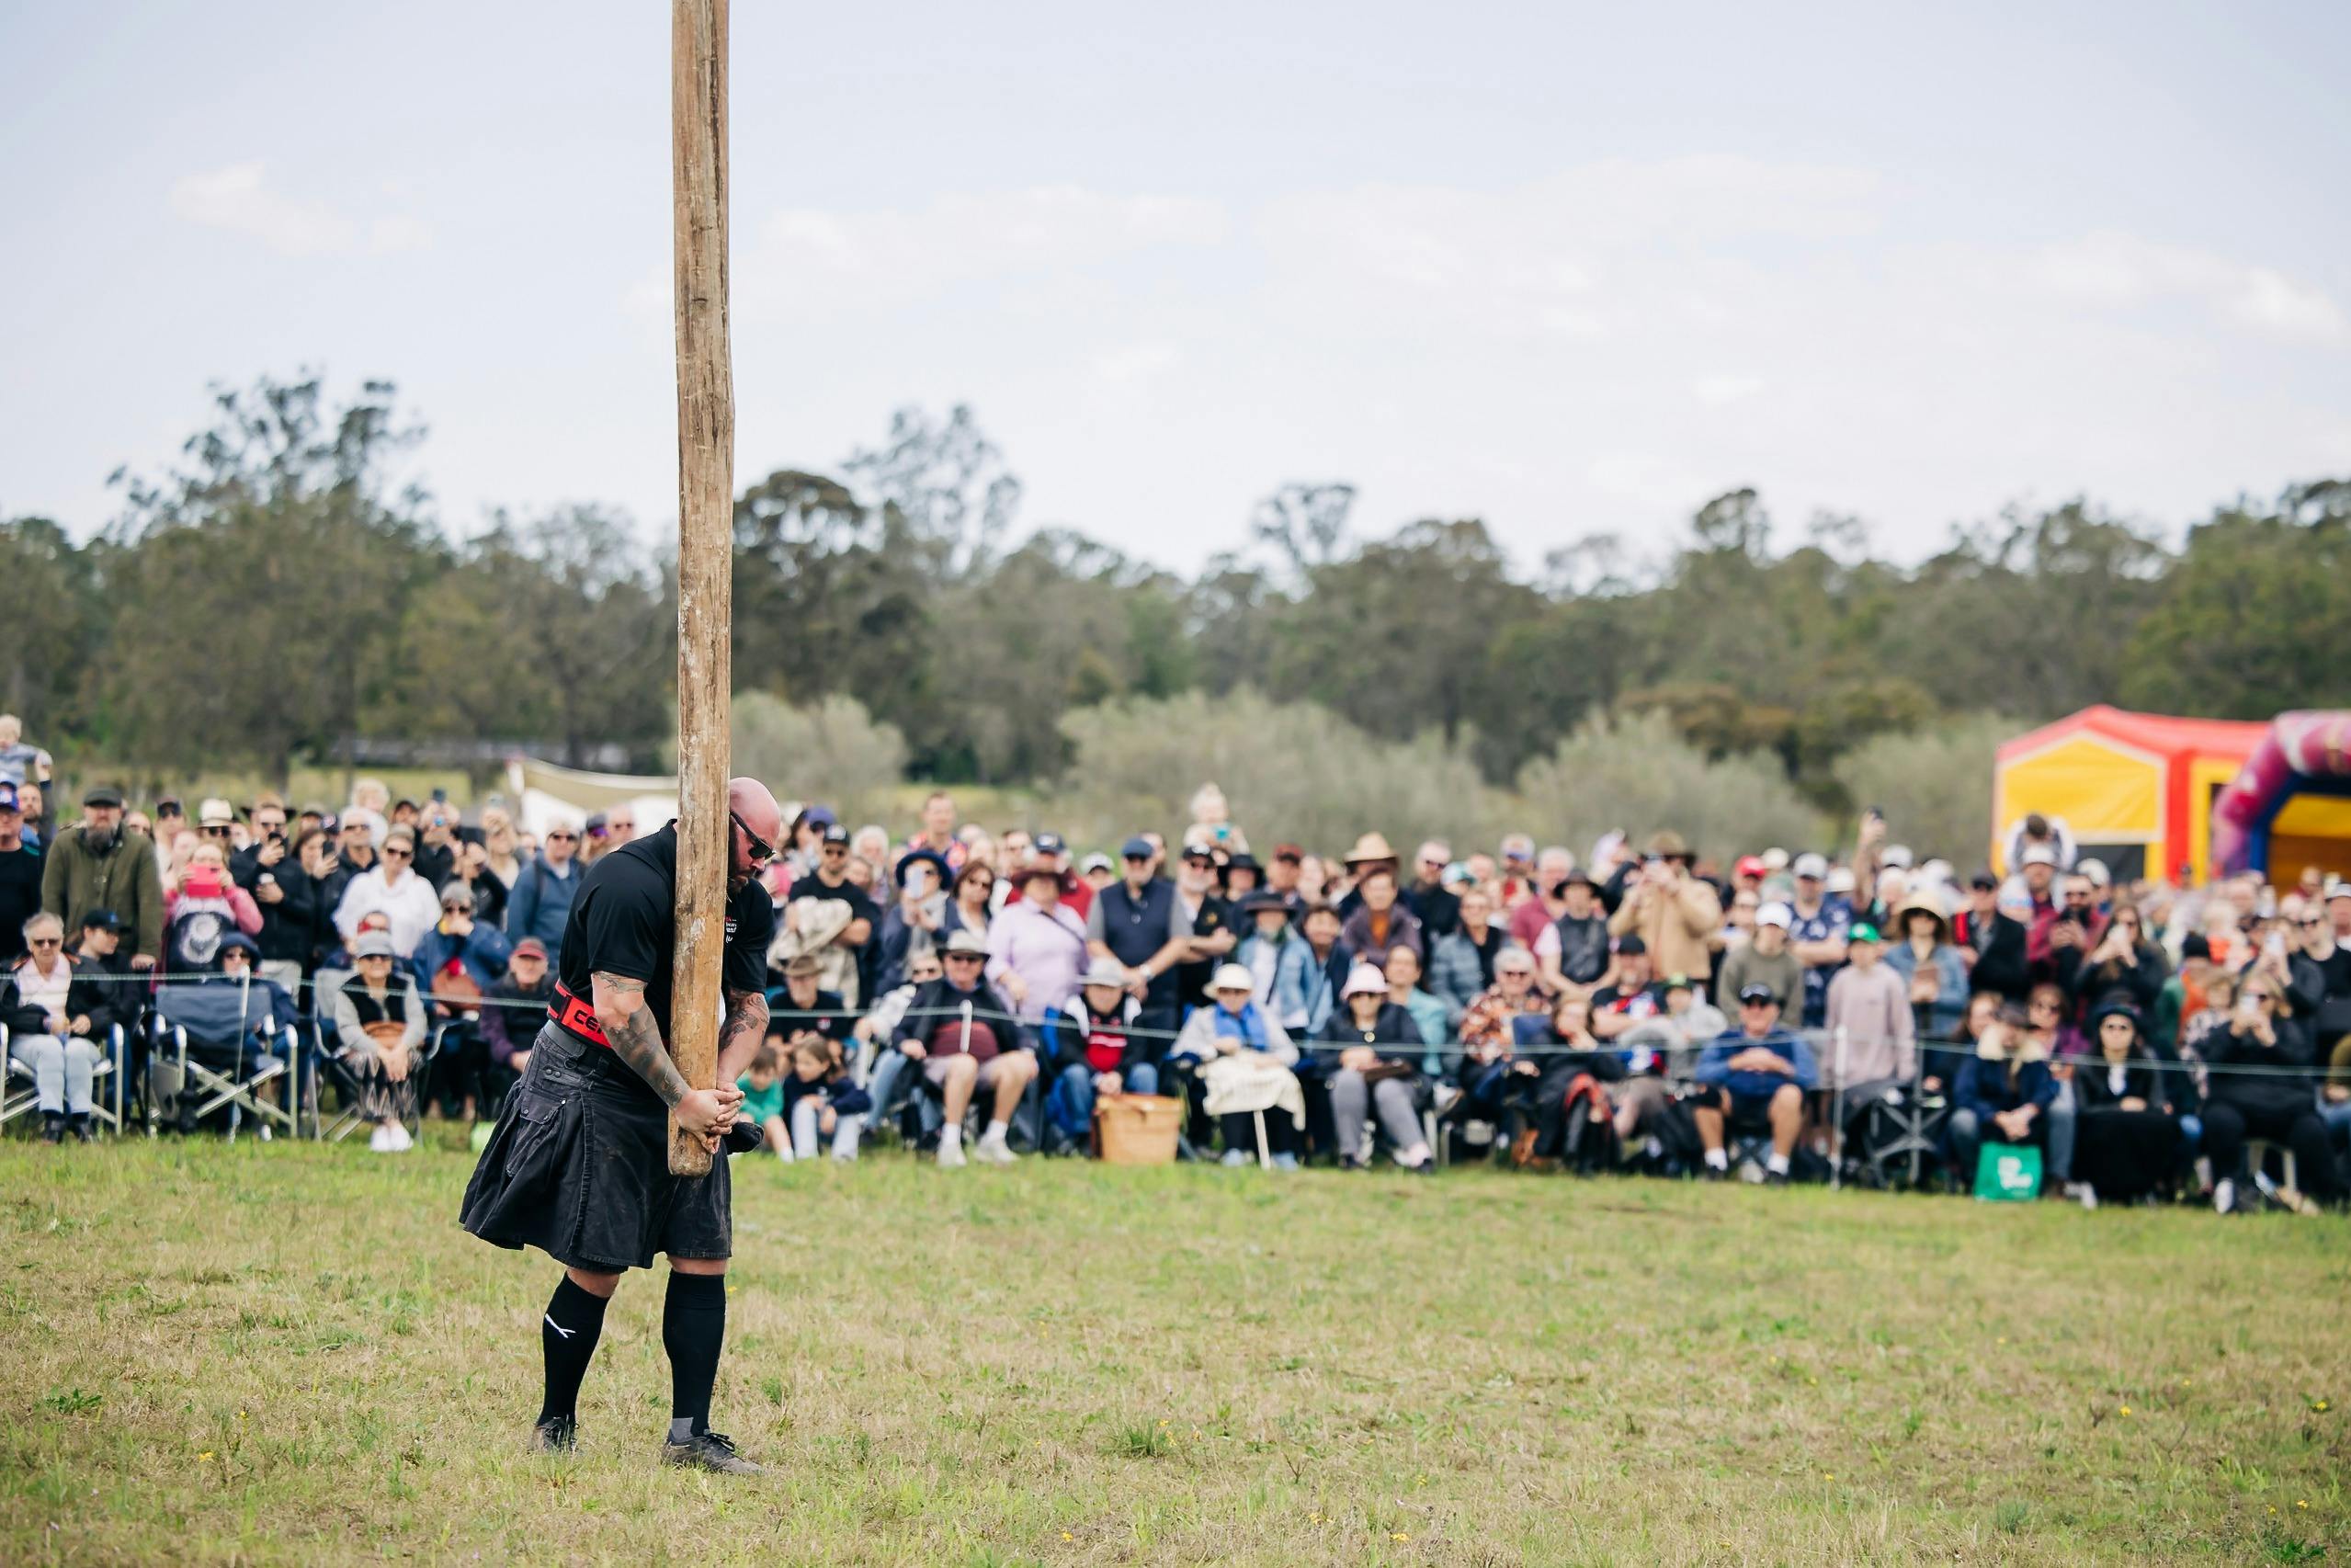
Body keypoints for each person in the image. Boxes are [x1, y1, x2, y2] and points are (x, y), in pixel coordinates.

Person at [460, 778, 783, 1473]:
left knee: (704, 1251)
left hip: (688, 1082)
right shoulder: (627, 881)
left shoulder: (747, 901)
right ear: (713, 824)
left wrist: (719, 1087)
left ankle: (689, 1435)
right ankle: (555, 1422)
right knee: (598, 1260)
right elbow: (618, 1010)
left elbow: (751, 1005)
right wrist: (682, 1099)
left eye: (770, 853)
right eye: (757, 847)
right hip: (597, 1073)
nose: (763, 864)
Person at [888, 929, 1037, 1167]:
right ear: (945, 961)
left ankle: (994, 1139)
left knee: (1019, 1063)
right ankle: (950, 1143)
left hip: (984, 1070)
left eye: (971, 959)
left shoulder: (990, 997)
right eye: (957, 958)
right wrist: (907, 1043)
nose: (964, 965)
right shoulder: (930, 991)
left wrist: (1027, 1052)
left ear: (981, 965)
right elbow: (900, 1030)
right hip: (937, 1066)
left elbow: (1016, 1034)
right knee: (964, 1063)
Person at [2200, 970, 2337, 1214]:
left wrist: (2271, 1042)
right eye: (2248, 997)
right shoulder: (2225, 1030)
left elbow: (2301, 1066)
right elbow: (2213, 1063)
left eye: (2262, 997)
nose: (2255, 1004)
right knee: (2220, 1120)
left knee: (2312, 1129)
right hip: (2235, 1104)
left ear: (2276, 1001)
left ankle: (2329, 1197)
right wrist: (2235, 1034)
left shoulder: (2289, 1030)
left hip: (2285, 1108)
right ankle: (2228, 1190)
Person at [1166, 963, 1305, 1167]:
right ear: (1217, 993)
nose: (1232, 996)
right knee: (1233, 1082)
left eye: (1238, 992)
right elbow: (1180, 1052)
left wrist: (1271, 1059)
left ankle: (1283, 1151)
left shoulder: (1263, 1016)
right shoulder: (1203, 1017)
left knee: (1285, 1081)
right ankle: (1235, 1149)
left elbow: (1290, 1052)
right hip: (1222, 1067)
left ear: (1248, 993)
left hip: (1261, 1066)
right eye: (1225, 991)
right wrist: (1214, 1047)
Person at [2, 913, 114, 1142]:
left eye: (52, 941)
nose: (46, 947)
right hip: (29, 1040)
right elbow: (5, 1011)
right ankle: (54, 1120)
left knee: (76, 1051)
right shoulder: (13, 971)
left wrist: (90, 1020)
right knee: (50, 1047)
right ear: (29, 944)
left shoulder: (84, 968)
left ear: (62, 942)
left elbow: (113, 1006)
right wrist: (43, 1023)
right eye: (39, 942)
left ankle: (82, 1121)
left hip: (77, 1038)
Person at [1311, 963, 1433, 1172]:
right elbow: (1317, 1060)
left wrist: (1374, 1053)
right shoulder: (1336, 1021)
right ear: (1349, 998)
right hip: (1351, 1090)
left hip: (1397, 1084)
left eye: (1371, 994)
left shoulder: (1398, 1015)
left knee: (1388, 1089)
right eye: (1358, 995)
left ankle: (1419, 1155)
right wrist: (1343, 1057)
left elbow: (1417, 1049)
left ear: (1381, 996)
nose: (1365, 1000)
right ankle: (1350, 1155)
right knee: (1347, 1081)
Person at [1691, 984, 1818, 1182]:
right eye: (1750, 1005)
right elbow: (1702, 1072)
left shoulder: (1789, 1040)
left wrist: (1779, 1066)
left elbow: (1810, 1077)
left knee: (1791, 1094)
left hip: (1774, 1105)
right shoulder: (1726, 1039)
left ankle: (1778, 1168)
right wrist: (1736, 1063)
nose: (1756, 1011)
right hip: (1734, 1102)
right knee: (1705, 1092)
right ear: (1742, 1011)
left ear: (1775, 1010)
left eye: (1763, 1005)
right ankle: (1715, 1164)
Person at [411, 882, 514, 1124]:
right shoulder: (431, 940)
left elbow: (505, 960)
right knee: (438, 1037)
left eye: (462, 909)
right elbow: (418, 979)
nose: (455, 915)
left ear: (472, 911)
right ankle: (434, 1103)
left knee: (472, 1040)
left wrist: (471, 935)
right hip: (441, 1010)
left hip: (477, 1010)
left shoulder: (484, 933)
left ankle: (470, 1103)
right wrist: (431, 1004)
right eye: (449, 909)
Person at [2070, 1004, 2189, 1205]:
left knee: (2163, 1124)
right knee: (2106, 1126)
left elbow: (2157, 1101)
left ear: (2134, 1033)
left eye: (2123, 1028)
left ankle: (2146, 1187)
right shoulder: (2085, 1064)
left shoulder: (2147, 1061)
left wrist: (2145, 1107)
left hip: (2139, 1121)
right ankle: (2098, 1186)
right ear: (2100, 1032)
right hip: (2098, 1121)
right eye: (2110, 1027)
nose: (2116, 1033)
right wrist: (2119, 1107)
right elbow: (2083, 1108)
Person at [40, 786, 164, 974]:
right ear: (85, 810)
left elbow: (150, 901)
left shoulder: (140, 847)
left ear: (120, 812)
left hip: (124, 953)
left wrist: (147, 951)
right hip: (75, 951)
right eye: (96, 808)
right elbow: (52, 899)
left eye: (109, 808)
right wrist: (52, 945)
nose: (102, 814)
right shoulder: (64, 844)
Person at [1039, 961, 1155, 1153]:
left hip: (1120, 1075)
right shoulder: (1074, 1007)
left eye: (1111, 988)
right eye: (1099, 987)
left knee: (1146, 1073)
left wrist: (1118, 1075)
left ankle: (1140, 1135)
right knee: (1075, 1074)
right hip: (1087, 1074)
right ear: (1087, 988)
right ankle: (1084, 1136)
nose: (1105, 994)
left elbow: (1138, 1049)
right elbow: (1068, 1051)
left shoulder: (1131, 1007)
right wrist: (1098, 1077)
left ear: (1121, 991)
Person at [334, 930, 427, 1152]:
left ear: (391, 961)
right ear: (359, 962)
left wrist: (401, 1049)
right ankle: (393, 1124)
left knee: (410, 1060)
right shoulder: (347, 990)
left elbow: (418, 1022)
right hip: (363, 1048)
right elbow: (349, 1030)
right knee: (371, 1062)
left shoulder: (406, 985)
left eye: (383, 957)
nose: (377, 961)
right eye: (370, 957)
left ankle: (383, 1128)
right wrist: (382, 1052)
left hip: (402, 1046)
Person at [1086, 837, 1187, 1042]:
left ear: (1153, 862)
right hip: (1115, 1001)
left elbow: (1180, 942)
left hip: (1160, 999)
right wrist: (1126, 975)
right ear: (1123, 862)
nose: (1137, 864)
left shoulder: (1170, 894)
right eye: (1131, 859)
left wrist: (1144, 973)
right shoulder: (1105, 896)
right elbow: (1094, 941)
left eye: (1143, 859)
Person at [1948, 1002, 2058, 1186]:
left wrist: (2027, 1112)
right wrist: (1998, 1117)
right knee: (1962, 1121)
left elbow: (2048, 1088)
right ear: (1997, 1026)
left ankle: (2050, 1182)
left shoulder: (2035, 1054)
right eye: (2007, 1025)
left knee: (2058, 1114)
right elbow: (1964, 1095)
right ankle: (1975, 1179)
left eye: (2018, 1027)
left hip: (2025, 1122)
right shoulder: (1979, 1051)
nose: (2011, 1032)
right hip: (1987, 1120)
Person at [1607, 832, 1721, 991]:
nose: (1660, 865)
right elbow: (1615, 929)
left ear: (1680, 861)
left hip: (1686, 983)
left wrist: (1675, 892)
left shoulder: (1699, 890)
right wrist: (1634, 902)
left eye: (1667, 859)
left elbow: (1705, 924)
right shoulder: (1639, 892)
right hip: (1647, 983)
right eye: (1653, 859)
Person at [987, 861, 1091, 1019]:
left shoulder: (1070, 916)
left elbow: (1087, 959)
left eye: (1049, 880)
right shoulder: (1009, 917)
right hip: (1025, 1011)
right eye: (1037, 879)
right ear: (1026, 885)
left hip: (1068, 1013)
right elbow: (993, 959)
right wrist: (1010, 978)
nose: (1043, 884)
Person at [332, 827, 440, 959]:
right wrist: (351, 945)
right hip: (363, 961)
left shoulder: (422, 888)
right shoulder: (362, 882)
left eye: (404, 854)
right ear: (382, 852)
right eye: (391, 851)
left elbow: (434, 929)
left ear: (410, 858)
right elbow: (344, 923)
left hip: (406, 962)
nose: (397, 857)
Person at [1881, 892, 1970, 1049]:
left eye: (1929, 915)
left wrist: (1936, 996)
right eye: (1916, 914)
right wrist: (1909, 996)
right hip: (1904, 1033)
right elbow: (1884, 997)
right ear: (1907, 919)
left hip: (1944, 1033)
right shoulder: (1892, 956)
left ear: (1937, 922)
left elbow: (1962, 998)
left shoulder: (1951, 956)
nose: (1923, 920)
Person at [479, 937, 554, 1102]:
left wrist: (540, 1058)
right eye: (523, 959)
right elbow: (493, 1032)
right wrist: (513, 1057)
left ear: (545, 966)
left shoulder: (556, 991)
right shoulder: (495, 990)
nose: (529, 966)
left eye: (535, 960)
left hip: (548, 1059)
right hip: (508, 1060)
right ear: (512, 963)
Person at [777, 1036, 870, 1162]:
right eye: (798, 1062)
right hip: (802, 1135)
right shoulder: (792, 1082)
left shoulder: (835, 1080)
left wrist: (834, 1109)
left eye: (807, 1064)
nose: (800, 1068)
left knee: (850, 1113)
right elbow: (786, 1111)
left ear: (824, 1064)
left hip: (831, 1130)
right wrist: (803, 1101)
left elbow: (864, 1099)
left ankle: (843, 1159)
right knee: (802, 1106)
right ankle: (806, 1158)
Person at [1785, 853, 1851, 1028]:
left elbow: (1837, 952)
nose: (1808, 885)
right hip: (1787, 1006)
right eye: (1804, 879)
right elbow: (1775, 950)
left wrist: (1794, 947)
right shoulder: (1783, 912)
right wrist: (1819, 952)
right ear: (1796, 880)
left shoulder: (1834, 913)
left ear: (1823, 883)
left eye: (1814, 880)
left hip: (1826, 1006)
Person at [503, 819, 583, 964]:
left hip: (573, 964)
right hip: (541, 963)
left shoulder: (580, 874)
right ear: (547, 840)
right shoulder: (531, 874)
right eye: (557, 836)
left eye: (569, 837)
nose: (563, 842)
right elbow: (516, 924)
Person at [1428, 887, 1505, 1023]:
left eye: (1481, 907)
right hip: (1463, 1015)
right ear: (1462, 912)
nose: (1475, 912)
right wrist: (1461, 1016)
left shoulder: (1504, 941)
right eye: (1469, 907)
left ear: (1489, 910)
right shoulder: (1447, 946)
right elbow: (1440, 987)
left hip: (1502, 1015)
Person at [1712, 902, 1801, 1017]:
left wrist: (1772, 1027)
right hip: (1739, 1029)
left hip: (1778, 1031)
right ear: (1758, 927)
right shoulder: (1737, 958)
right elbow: (1726, 1000)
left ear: (1785, 932)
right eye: (1767, 926)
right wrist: (1750, 1023)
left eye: (1777, 928)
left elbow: (1794, 1009)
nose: (1771, 932)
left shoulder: (1792, 965)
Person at [1533, 870, 1610, 999]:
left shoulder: (1606, 926)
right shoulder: (1553, 929)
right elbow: (1550, 973)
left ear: (1590, 891)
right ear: (1564, 893)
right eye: (1572, 889)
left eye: (1581, 888)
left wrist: (1597, 989)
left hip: (1601, 995)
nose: (1577, 893)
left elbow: (1615, 968)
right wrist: (1578, 993)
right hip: (1566, 997)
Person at [1384, 943, 1450, 1078]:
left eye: (1407, 964)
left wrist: (1379, 1050)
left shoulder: (1434, 1007)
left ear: (1417, 973)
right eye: (1396, 962)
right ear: (1386, 969)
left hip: (1421, 1073)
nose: (1401, 968)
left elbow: (1427, 1048)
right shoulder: (1373, 1003)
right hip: (1378, 1072)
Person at [1340, 862, 1423, 966]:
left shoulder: (1405, 920)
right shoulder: (1354, 921)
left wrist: (1367, 956)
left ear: (1394, 891)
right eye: (1374, 889)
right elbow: (1345, 952)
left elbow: (1415, 954)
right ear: (1363, 891)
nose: (1379, 895)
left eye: (1383, 889)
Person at [0, 782, 42, 969]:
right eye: (0, 813)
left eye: (10, 813)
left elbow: (40, 909)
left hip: (22, 958)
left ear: (21, 818)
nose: (4, 819)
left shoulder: (35, 859)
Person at [733, 1045, 789, 1160]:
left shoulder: (774, 1088)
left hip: (767, 1136)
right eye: (756, 1073)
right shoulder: (742, 1084)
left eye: (766, 1074)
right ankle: (734, 1154)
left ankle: (786, 1157)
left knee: (775, 1121)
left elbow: (769, 1113)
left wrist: (746, 1104)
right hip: (748, 1136)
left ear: (775, 1073)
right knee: (745, 1117)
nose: (760, 1079)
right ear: (749, 1069)